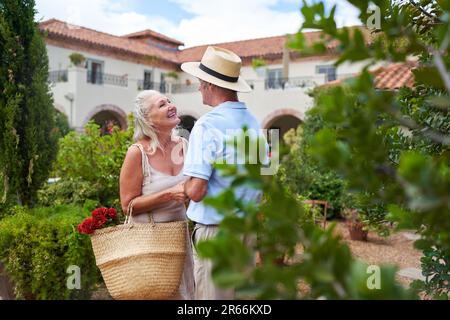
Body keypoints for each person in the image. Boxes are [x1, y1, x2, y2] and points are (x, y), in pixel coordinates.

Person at [181, 46, 266, 300]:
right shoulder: (254, 123)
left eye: (199, 82)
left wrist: (183, 186)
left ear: (209, 84)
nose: (197, 88)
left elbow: (196, 191)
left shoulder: (207, 125)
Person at [119, 90, 195, 300]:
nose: (171, 106)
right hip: (149, 244)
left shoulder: (184, 145)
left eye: (170, 101)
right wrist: (169, 195)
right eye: (162, 105)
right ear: (148, 120)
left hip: (179, 239)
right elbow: (127, 206)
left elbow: (190, 190)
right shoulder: (137, 153)